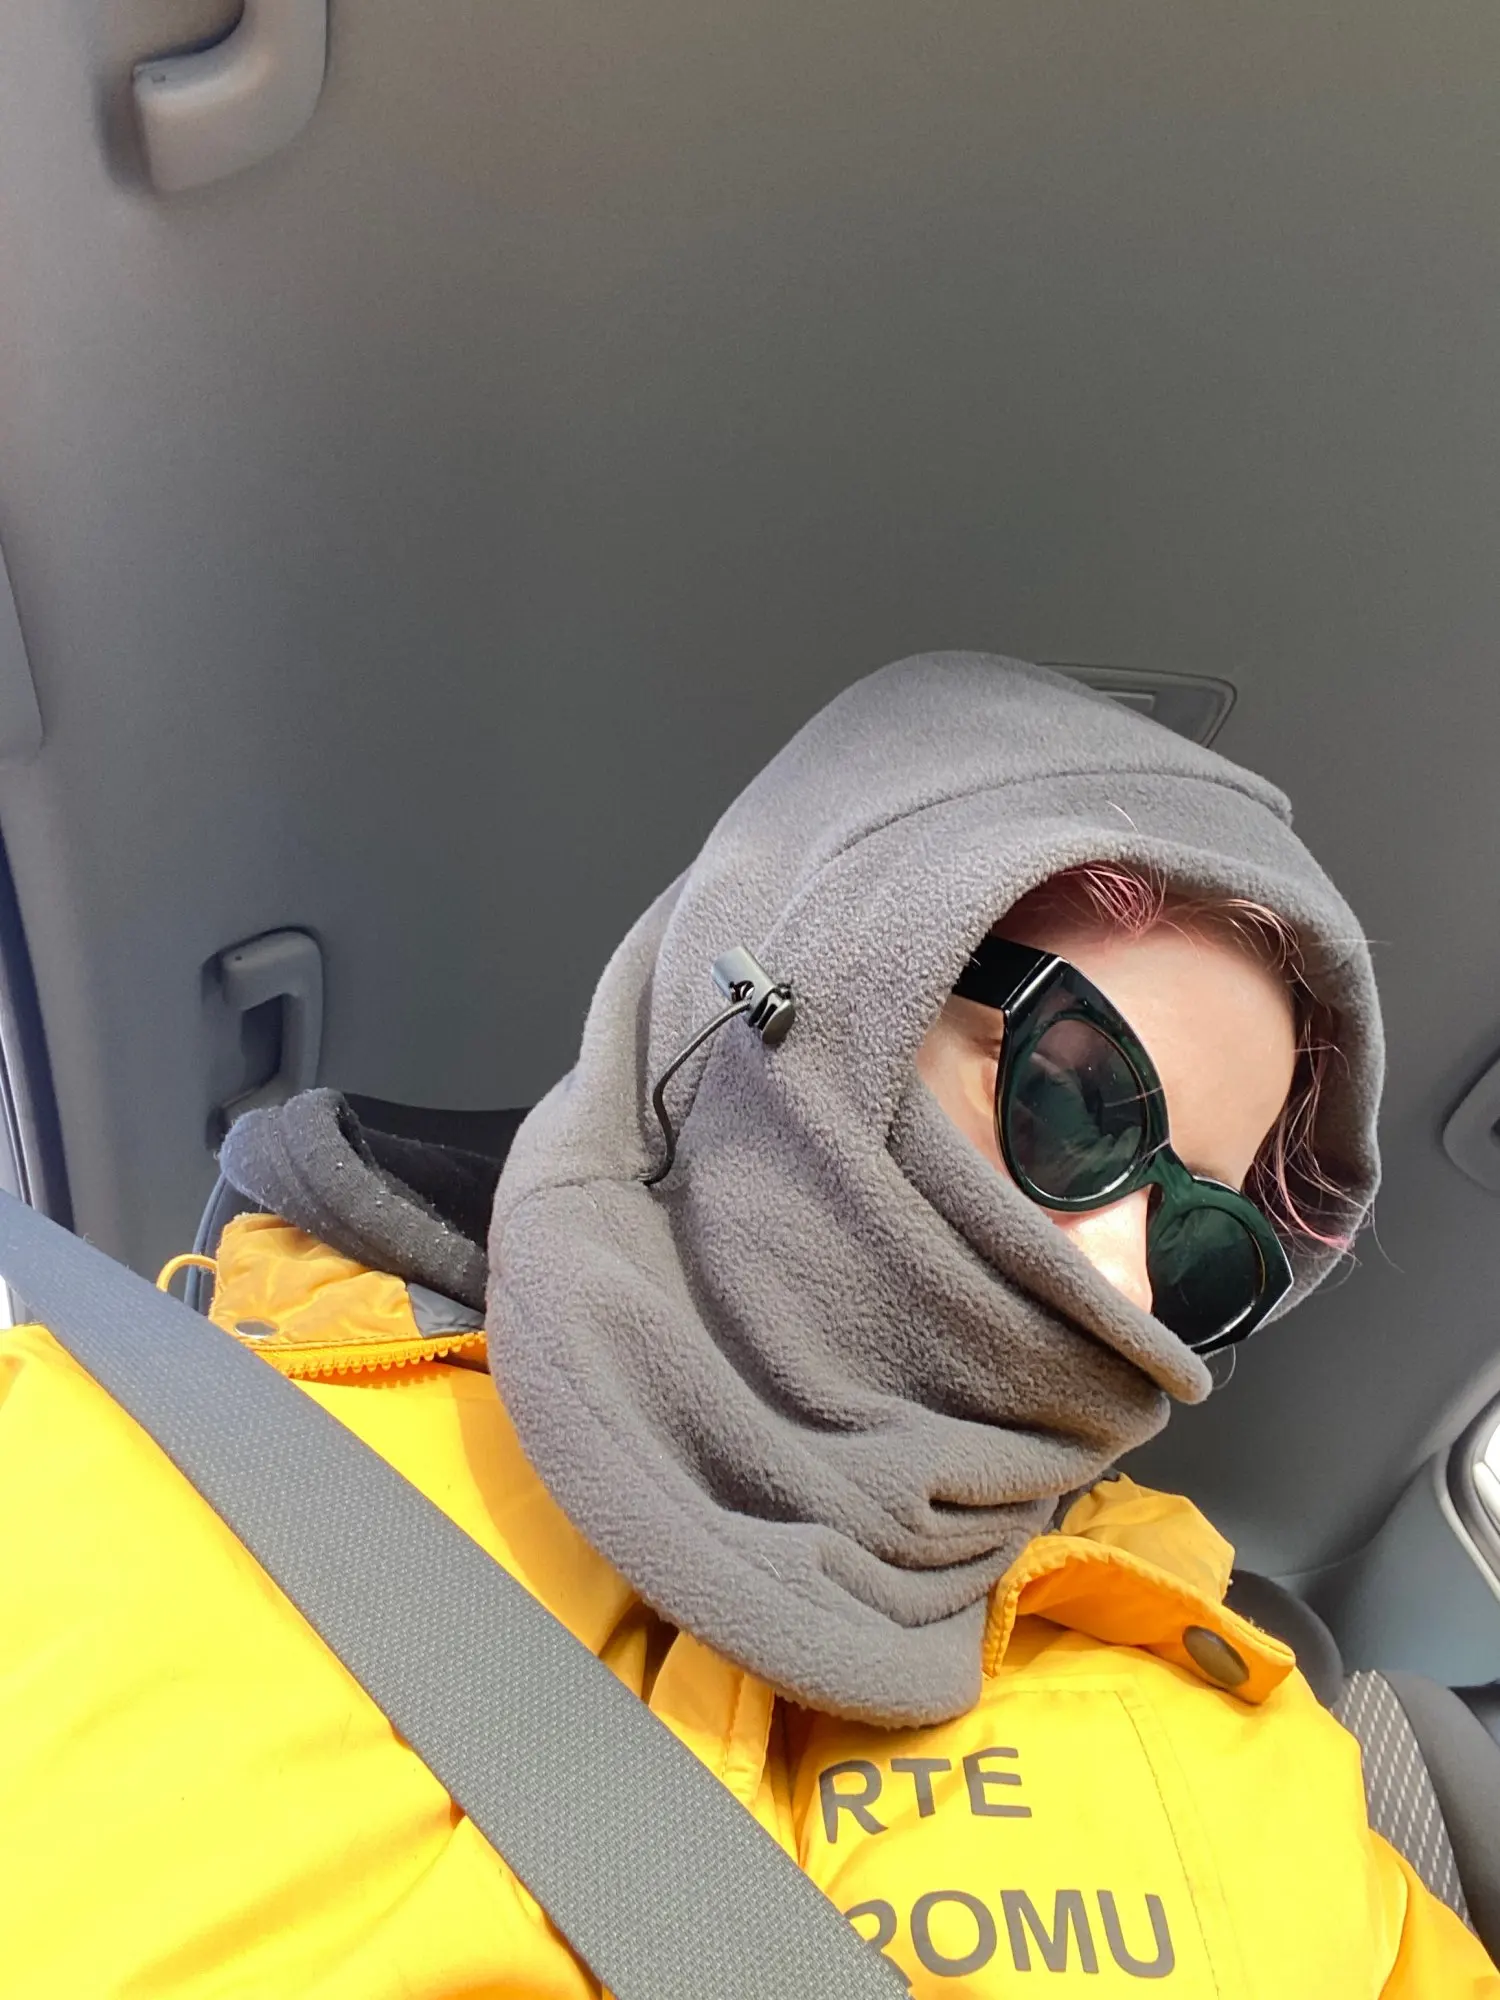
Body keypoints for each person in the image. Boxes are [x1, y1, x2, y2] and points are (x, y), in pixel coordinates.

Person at [0, 653, 1495, 1996]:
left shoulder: (1253, 1729)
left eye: (1203, 1248)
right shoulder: (83, 1478)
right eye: (1072, 1103)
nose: (1120, 1280)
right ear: (800, 980)